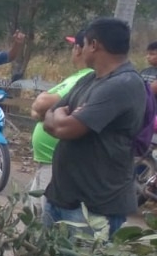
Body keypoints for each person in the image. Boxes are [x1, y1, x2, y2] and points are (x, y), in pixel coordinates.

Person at [42, 17, 148, 238]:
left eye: (84, 43)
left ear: (94, 45)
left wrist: (60, 119)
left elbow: (65, 130)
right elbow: (49, 117)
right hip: (62, 198)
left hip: (94, 209)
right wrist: (59, 117)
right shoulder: (90, 80)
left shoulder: (123, 84)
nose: (80, 50)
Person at [28, 31, 92, 209]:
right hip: (48, 162)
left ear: (78, 49)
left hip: (56, 164)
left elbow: (41, 105)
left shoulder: (83, 78)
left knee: (45, 221)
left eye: (73, 46)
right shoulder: (77, 77)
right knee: (34, 214)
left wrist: (39, 109)